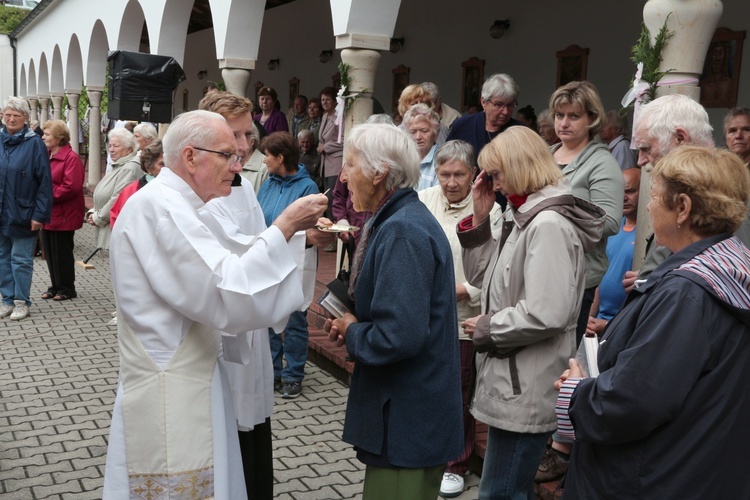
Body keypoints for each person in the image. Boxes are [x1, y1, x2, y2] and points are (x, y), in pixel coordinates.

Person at [102, 109, 328, 499]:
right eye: (227, 155)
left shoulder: (180, 203)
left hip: (190, 374)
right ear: (190, 157)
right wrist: (286, 226)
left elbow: (233, 253)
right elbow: (227, 289)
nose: (237, 165)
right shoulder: (162, 209)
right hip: (170, 386)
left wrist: (288, 235)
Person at [555, 146, 750, 499]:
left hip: (651, 477)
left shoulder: (686, 293)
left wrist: (577, 392)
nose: (647, 205)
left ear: (683, 208)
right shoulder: (729, 267)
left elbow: (634, 400)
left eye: (655, 195)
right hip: (697, 471)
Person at [457, 126, 604, 499]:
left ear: (520, 166)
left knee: (501, 492)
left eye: (497, 173)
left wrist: (488, 326)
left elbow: (546, 313)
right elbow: (482, 277)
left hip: (527, 382)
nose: (495, 183)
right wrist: (479, 218)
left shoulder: (548, 225)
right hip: (516, 376)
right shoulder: (522, 214)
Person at [324, 123, 463, 499]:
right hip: (405, 415)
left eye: (351, 165)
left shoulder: (403, 231)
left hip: (408, 419)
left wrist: (354, 331)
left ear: (379, 171)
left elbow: (397, 335)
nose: (343, 175)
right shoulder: (394, 221)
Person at [536, 81, 623, 482]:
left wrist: (557, 210)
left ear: (592, 119)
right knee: (541, 354)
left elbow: (608, 221)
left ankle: (561, 447)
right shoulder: (550, 153)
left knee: (567, 360)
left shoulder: (600, 162)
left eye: (574, 116)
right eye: (560, 115)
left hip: (576, 276)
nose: (565, 123)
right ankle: (539, 432)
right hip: (540, 268)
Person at [418, 140, 500, 498]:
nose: (451, 182)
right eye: (444, 173)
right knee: (425, 387)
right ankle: (427, 453)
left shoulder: (487, 208)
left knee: (458, 391)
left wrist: (464, 290)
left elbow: (493, 266)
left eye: (459, 174)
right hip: (426, 315)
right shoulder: (424, 200)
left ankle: (457, 462)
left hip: (463, 317)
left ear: (472, 174)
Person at [623, 94, 715, 288]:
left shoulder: (720, 194)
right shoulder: (693, 186)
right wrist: (654, 276)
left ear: (680, 138)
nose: (640, 161)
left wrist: (658, 283)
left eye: (646, 148)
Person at [256, 131, 319, 400]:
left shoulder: (308, 189)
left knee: (294, 317)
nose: (263, 162)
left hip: (295, 261)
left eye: (267, 157)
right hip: (269, 259)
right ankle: (272, 371)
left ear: (280, 158)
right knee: (270, 316)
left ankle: (293, 374)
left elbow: (314, 228)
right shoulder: (268, 183)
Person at [0, 97, 52, 321]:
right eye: (8, 114)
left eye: (16, 115)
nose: (11, 119)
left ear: (25, 119)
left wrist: (39, 214)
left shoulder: (34, 144)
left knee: (20, 259)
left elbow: (44, 183)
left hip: (23, 212)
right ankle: (7, 300)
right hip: (1, 211)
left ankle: (22, 302)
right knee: (2, 257)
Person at [586, 168, 640, 336]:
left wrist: (610, 324)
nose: (624, 198)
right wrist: (588, 317)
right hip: (598, 322)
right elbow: (599, 279)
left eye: (630, 192)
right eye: (621, 192)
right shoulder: (612, 228)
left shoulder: (648, 234)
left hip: (624, 327)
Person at [40, 119, 85, 302]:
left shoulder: (71, 158)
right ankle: (55, 286)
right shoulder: (48, 155)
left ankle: (67, 288)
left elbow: (71, 187)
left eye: (47, 134)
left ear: (59, 138)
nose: (43, 137)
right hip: (50, 212)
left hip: (64, 213)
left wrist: (46, 195)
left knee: (62, 253)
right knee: (50, 252)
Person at [200, 91, 269, 195]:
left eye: (248, 134)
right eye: (233, 135)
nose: (245, 147)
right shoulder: (175, 199)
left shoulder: (245, 187)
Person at [447, 73, 523, 165]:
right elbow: (446, 162)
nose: (506, 111)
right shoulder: (462, 126)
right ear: (484, 102)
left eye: (510, 105)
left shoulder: (521, 132)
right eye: (498, 105)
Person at [87, 128, 141, 250]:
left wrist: (98, 217)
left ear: (129, 149)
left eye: (116, 146)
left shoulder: (130, 168)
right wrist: (94, 211)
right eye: (110, 145)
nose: (111, 149)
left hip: (119, 227)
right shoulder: (119, 165)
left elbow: (118, 198)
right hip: (110, 224)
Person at [109, 140, 164, 229]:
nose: (168, 168)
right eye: (162, 164)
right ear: (148, 167)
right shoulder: (131, 191)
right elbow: (117, 222)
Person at [402, 103, 441, 191]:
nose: (418, 137)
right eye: (413, 132)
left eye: (424, 131)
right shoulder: (402, 159)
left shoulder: (442, 160)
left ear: (436, 134)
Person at [317, 86, 344, 198]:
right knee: (325, 198)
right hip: (324, 165)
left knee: (333, 199)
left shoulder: (340, 116)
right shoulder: (324, 117)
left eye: (327, 99)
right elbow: (322, 138)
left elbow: (343, 140)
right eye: (322, 100)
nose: (324, 102)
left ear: (334, 100)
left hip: (335, 165)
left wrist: (325, 147)